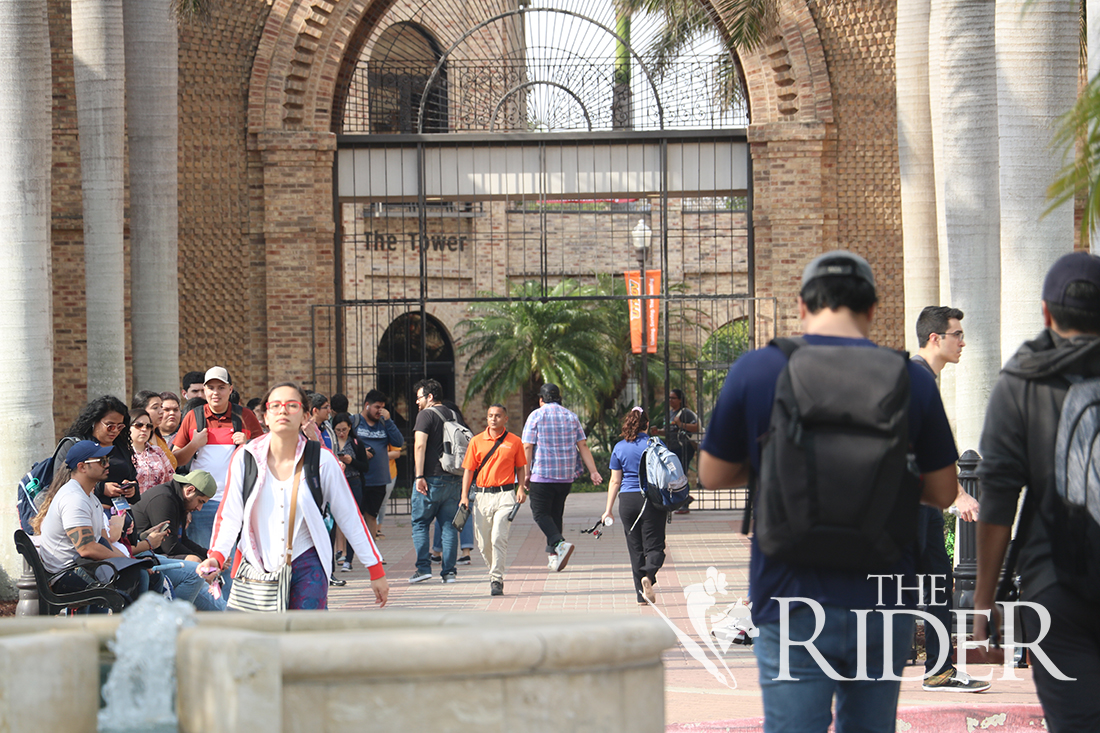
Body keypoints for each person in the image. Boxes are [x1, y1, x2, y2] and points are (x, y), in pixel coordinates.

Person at [698, 250, 958, 732]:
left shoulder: (758, 371)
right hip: (883, 596)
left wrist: (774, 466)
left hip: (789, 596)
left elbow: (711, 475)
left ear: (801, 306)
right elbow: (944, 491)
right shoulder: (910, 379)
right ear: (873, 310)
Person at [974, 251, 1100, 731]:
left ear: (1046, 312)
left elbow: (998, 504)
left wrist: (983, 608)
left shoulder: (1021, 381)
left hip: (1056, 590)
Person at [196, 382, 388, 609]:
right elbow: (229, 514)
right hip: (256, 567)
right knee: (257, 641)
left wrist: (375, 569)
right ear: (266, 416)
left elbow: (349, 515)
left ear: (306, 416)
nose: (283, 411)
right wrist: (216, 556)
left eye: (292, 405)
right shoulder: (246, 458)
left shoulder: (322, 460)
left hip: (307, 562)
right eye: (275, 405)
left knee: (305, 638)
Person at [911, 305, 986, 691]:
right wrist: (959, 495)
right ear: (935, 338)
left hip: (922, 507)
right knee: (895, 587)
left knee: (938, 582)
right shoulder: (915, 378)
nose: (963, 342)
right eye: (957, 334)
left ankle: (939, 670)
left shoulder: (925, 378)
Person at [32, 441, 158, 606]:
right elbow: (86, 548)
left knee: (149, 574)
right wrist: (129, 563)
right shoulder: (74, 499)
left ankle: (134, 625)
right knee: (137, 575)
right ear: (82, 467)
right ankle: (126, 627)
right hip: (66, 574)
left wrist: (130, 560)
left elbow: (103, 541)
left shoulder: (90, 498)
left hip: (84, 566)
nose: (107, 465)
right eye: (101, 461)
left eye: (107, 460)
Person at [172, 366, 264, 547]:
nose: (216, 392)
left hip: (238, 502)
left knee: (233, 562)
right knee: (204, 557)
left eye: (221, 387)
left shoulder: (246, 416)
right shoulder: (192, 416)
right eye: (211, 387)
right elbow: (175, 460)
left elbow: (266, 456)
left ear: (230, 390)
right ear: (205, 390)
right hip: (201, 504)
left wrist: (248, 445)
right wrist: (194, 444)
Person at [521, 383, 602, 571]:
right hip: (565, 477)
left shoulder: (536, 416)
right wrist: (593, 471)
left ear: (541, 399)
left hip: (542, 475)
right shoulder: (571, 417)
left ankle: (559, 543)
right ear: (559, 398)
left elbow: (527, 446)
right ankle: (554, 556)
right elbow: (583, 446)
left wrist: (526, 474)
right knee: (555, 514)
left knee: (540, 513)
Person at [129, 469, 226, 611]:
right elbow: (170, 546)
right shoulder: (165, 498)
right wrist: (200, 560)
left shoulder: (177, 498)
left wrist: (211, 557)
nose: (199, 508)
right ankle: (172, 619)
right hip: (141, 556)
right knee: (195, 569)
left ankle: (225, 613)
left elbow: (183, 541)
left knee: (199, 567)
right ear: (189, 490)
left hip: (153, 555)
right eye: (200, 502)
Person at [459, 404, 528, 596]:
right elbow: (469, 470)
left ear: (505, 419)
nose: (493, 419)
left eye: (498, 416)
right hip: (481, 496)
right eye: (490, 415)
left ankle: (496, 578)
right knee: (483, 542)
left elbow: (521, 466)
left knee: (498, 536)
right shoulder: (476, 441)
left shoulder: (514, 441)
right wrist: (464, 496)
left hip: (505, 495)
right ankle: (494, 571)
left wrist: (521, 488)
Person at [602, 407, 666, 605]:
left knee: (635, 548)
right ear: (647, 425)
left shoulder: (619, 447)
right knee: (655, 547)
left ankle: (641, 595)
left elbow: (614, 481)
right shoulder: (655, 444)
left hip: (627, 501)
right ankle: (649, 574)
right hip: (651, 500)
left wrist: (608, 510)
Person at [409, 378, 462, 584]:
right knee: (449, 526)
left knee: (420, 523)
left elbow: (420, 446)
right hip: (453, 477)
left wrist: (419, 476)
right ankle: (449, 572)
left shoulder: (425, 415)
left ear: (430, 397)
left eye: (419, 397)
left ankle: (423, 568)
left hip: (430, 478)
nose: (417, 402)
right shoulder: (454, 414)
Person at [57, 396, 140, 512]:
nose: (115, 430)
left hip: (122, 514)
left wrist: (132, 489)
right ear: (94, 422)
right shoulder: (75, 445)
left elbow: (132, 477)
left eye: (120, 426)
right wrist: (101, 488)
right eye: (110, 426)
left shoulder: (121, 445)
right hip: (86, 512)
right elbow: (61, 482)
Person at [350, 389, 404, 549]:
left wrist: (388, 421)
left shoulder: (383, 424)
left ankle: (371, 550)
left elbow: (399, 442)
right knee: (355, 514)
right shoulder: (354, 422)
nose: (379, 411)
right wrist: (360, 452)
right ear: (367, 405)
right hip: (358, 477)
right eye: (376, 407)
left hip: (379, 479)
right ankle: (350, 551)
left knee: (372, 515)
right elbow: (343, 444)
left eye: (382, 407)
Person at [332, 412, 371, 571]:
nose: (341, 433)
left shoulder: (355, 443)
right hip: (335, 483)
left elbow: (365, 467)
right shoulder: (330, 442)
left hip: (353, 482)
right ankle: (335, 555)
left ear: (350, 428)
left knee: (353, 519)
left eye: (344, 430)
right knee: (333, 520)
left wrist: (351, 461)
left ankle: (349, 559)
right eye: (338, 430)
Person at [656, 389, 699, 515]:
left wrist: (681, 424)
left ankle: (684, 503)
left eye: (673, 398)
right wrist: (658, 432)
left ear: (680, 399)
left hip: (684, 447)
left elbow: (696, 427)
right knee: (674, 474)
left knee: (681, 473)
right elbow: (668, 430)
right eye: (669, 398)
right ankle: (685, 498)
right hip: (672, 448)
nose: (670, 400)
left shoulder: (685, 413)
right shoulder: (669, 413)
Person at [129, 408, 174, 495]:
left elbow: (171, 479)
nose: (144, 429)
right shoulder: (122, 453)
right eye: (139, 425)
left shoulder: (158, 451)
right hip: (133, 505)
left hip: (158, 503)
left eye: (148, 426)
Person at [132, 390, 178, 470]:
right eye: (155, 407)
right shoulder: (137, 440)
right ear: (140, 410)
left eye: (161, 407)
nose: (161, 411)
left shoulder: (158, 437)